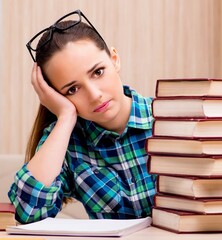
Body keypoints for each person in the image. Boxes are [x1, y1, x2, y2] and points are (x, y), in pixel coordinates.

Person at [8, 9, 156, 224]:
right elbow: (28, 212)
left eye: (98, 72)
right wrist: (66, 117)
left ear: (114, 59)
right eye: (72, 89)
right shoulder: (69, 144)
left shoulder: (172, 120)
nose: (95, 95)